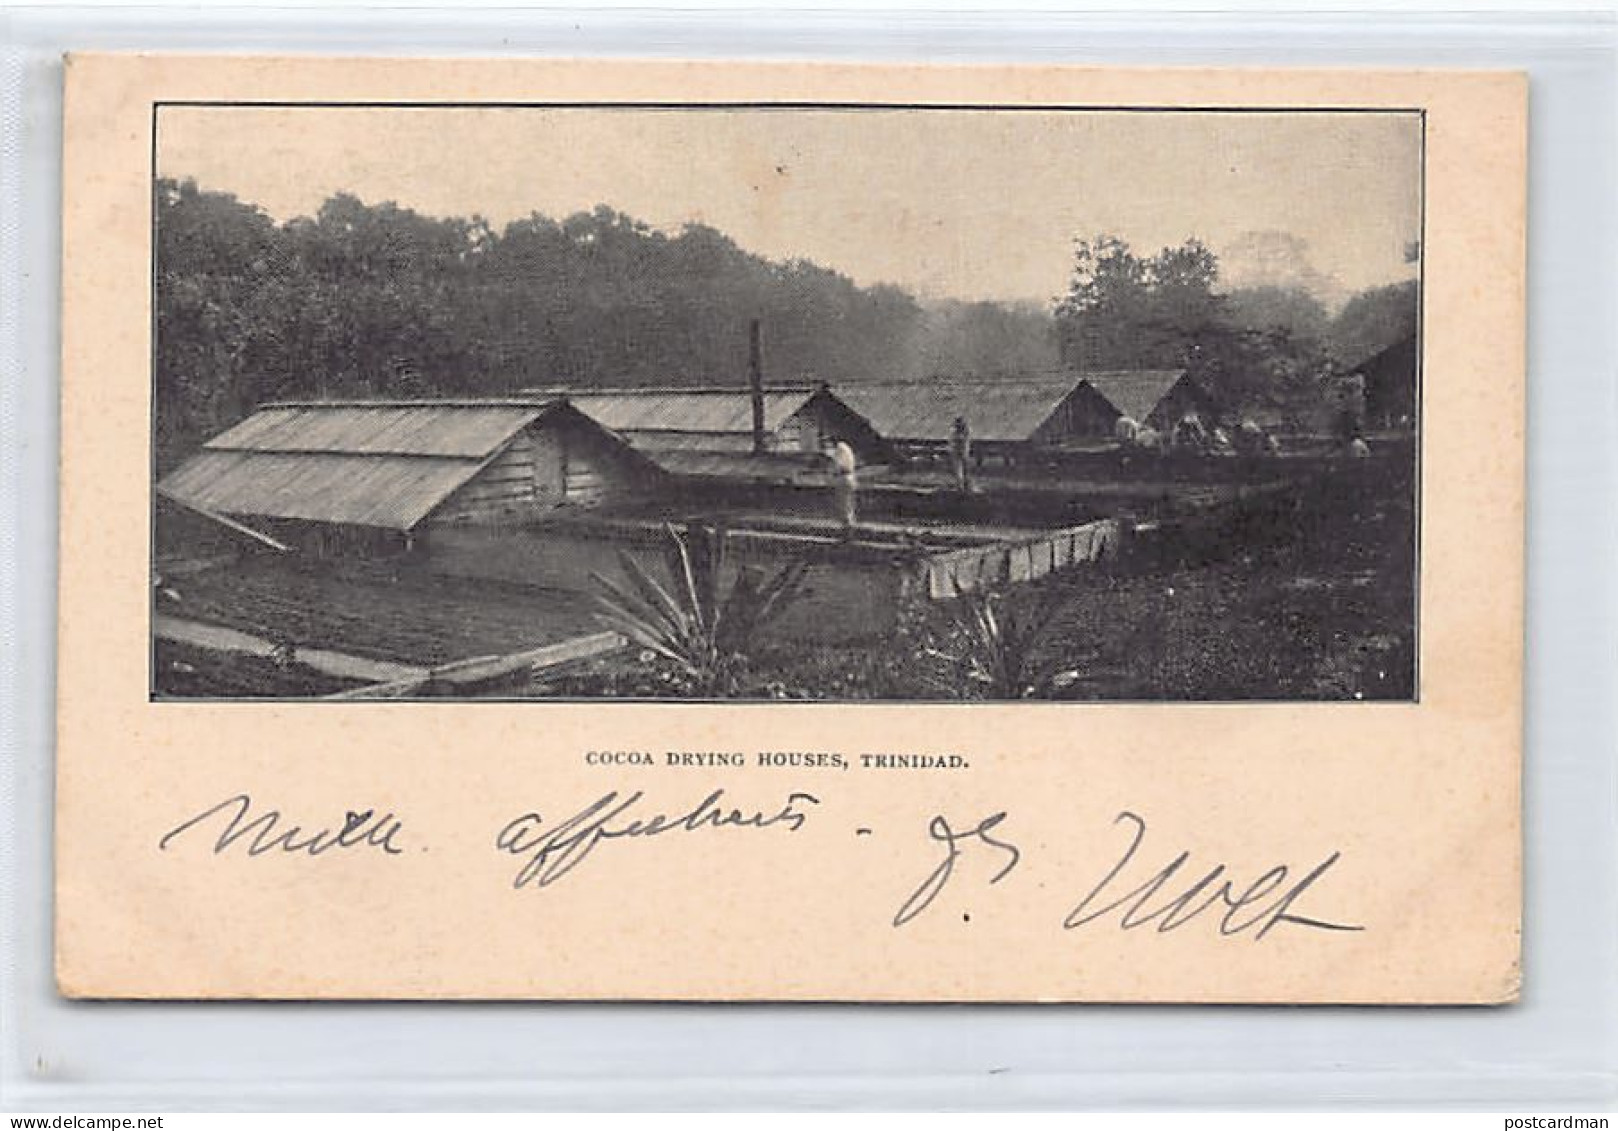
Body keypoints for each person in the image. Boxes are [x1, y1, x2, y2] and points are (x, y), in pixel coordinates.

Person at [823, 436, 859, 536]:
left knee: (844, 504)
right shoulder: (845, 448)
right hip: (849, 477)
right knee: (848, 503)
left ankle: (848, 529)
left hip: (844, 478)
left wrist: (831, 473)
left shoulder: (840, 449)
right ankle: (849, 527)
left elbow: (838, 465)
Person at [948, 416, 972, 493]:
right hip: (958, 450)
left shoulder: (965, 431)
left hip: (962, 450)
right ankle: (960, 485)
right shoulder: (954, 431)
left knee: (964, 468)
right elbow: (952, 440)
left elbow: (962, 439)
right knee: (958, 468)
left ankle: (965, 484)